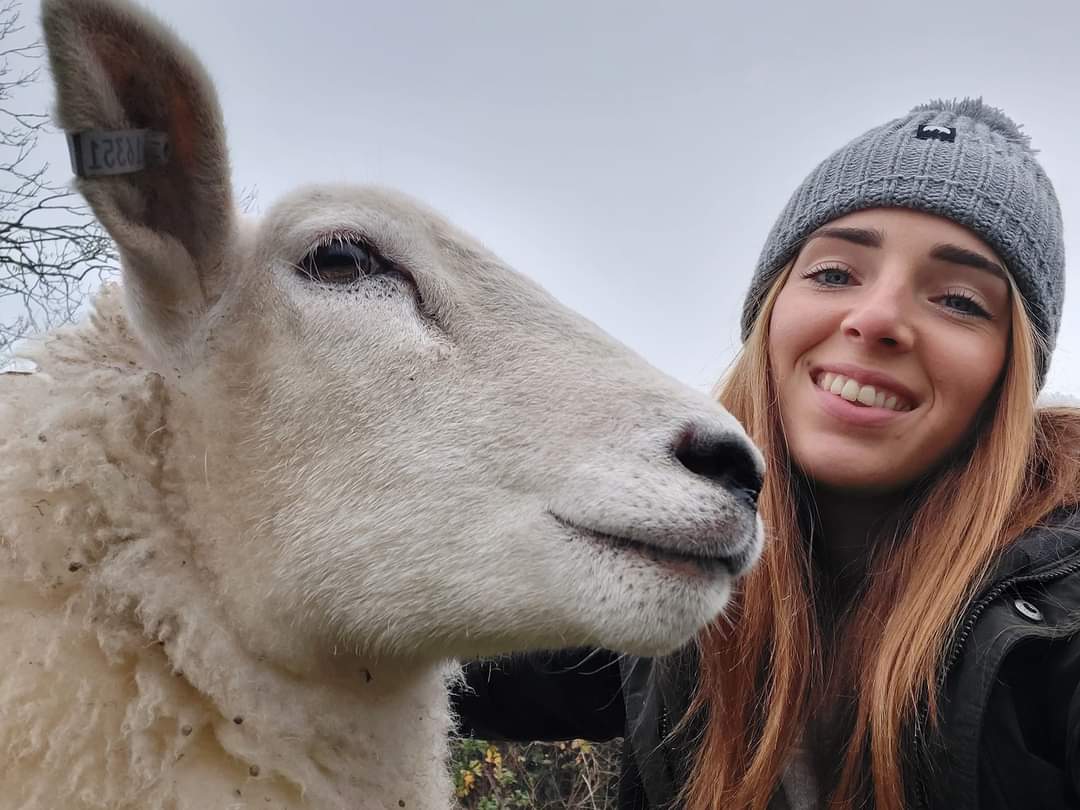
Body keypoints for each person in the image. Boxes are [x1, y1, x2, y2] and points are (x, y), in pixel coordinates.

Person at [453, 98, 1080, 810]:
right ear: (771, 313)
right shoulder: (672, 553)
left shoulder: (1060, 619)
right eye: (836, 273)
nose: (874, 319)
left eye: (961, 300)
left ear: (1011, 369)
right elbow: (414, 646)